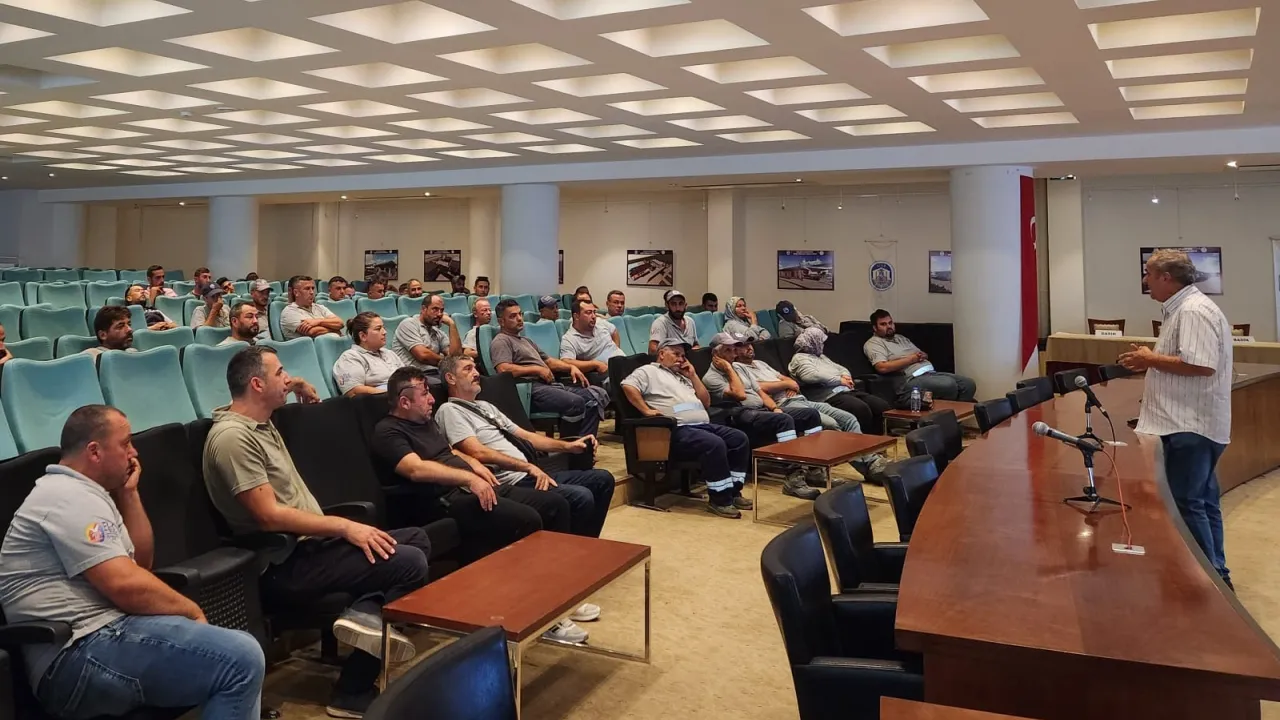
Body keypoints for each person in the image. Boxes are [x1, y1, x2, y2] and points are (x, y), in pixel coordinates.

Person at [204, 346, 432, 716]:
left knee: (418, 538)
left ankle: (365, 613)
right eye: (281, 373)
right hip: (282, 562)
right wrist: (345, 527)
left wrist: (297, 386)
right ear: (258, 384)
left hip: (310, 548)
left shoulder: (259, 422)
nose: (287, 377)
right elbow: (268, 517)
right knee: (408, 563)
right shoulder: (233, 438)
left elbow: (278, 387)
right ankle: (352, 691)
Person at [0, 406, 267, 720]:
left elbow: (139, 566)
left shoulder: (88, 494)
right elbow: (125, 585)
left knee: (239, 650)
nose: (134, 452)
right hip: (75, 655)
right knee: (240, 659)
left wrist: (129, 495)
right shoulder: (65, 497)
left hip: (101, 639)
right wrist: (190, 611)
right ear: (94, 451)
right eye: (125, 443)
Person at [370, 366, 570, 560]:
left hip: (473, 486)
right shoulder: (388, 432)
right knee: (527, 519)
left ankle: (561, 566)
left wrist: (474, 463)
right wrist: (469, 478)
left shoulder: (425, 421)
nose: (432, 399)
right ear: (404, 402)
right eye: (424, 394)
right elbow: (416, 469)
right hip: (444, 499)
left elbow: (449, 450)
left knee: (554, 504)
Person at [1121, 249, 1234, 589]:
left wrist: (1150, 359)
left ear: (1166, 278)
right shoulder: (1184, 308)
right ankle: (1217, 575)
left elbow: (1201, 365)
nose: (1145, 280)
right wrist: (1152, 360)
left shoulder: (1193, 311)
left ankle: (1203, 585)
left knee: (1188, 505)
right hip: (1189, 423)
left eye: (1148, 274)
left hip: (1190, 425)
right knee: (1202, 502)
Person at [436, 355, 614, 543]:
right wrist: (526, 467)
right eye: (467, 369)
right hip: (511, 480)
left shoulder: (485, 406)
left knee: (602, 480)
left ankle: (585, 546)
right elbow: (477, 452)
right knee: (581, 496)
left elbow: (526, 435)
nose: (476, 373)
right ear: (450, 378)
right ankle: (568, 552)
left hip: (530, 472)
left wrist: (568, 446)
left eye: (475, 367)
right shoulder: (450, 410)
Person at [622, 339, 752, 518]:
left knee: (739, 439)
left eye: (683, 356)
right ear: (661, 354)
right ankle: (720, 500)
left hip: (701, 426)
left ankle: (733, 492)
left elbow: (706, 402)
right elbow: (628, 386)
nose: (681, 359)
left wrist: (693, 376)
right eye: (676, 354)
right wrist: (645, 410)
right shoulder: (648, 371)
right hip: (674, 431)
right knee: (714, 444)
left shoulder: (683, 375)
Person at [702, 333, 821, 500]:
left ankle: (815, 470)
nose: (733, 355)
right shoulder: (711, 378)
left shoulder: (740, 367)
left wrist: (775, 408)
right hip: (741, 414)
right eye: (728, 351)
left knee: (810, 415)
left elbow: (760, 392)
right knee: (784, 420)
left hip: (762, 410)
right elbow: (740, 394)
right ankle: (794, 480)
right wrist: (729, 369)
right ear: (715, 355)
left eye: (734, 350)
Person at [490, 299, 604, 438]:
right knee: (575, 402)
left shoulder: (526, 341)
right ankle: (568, 447)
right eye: (513, 316)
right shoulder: (501, 340)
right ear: (501, 322)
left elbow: (549, 361)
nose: (519, 318)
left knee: (594, 397)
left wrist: (571, 367)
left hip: (547, 386)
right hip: (530, 389)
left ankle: (584, 446)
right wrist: (536, 369)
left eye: (520, 314)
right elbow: (503, 369)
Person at [864, 309, 977, 404]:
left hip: (930, 373)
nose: (889, 326)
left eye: (890, 323)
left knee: (968, 384)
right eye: (883, 324)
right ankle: (943, 419)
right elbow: (882, 367)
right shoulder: (874, 343)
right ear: (875, 328)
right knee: (948, 385)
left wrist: (922, 355)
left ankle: (954, 418)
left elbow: (921, 354)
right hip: (910, 379)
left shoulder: (900, 338)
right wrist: (911, 359)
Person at [790, 327, 890, 433]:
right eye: (821, 342)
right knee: (861, 409)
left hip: (846, 391)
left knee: (881, 406)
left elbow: (841, 368)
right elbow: (810, 376)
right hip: (828, 396)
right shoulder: (799, 358)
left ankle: (879, 439)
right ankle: (864, 441)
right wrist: (839, 380)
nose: (823, 345)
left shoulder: (821, 357)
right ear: (813, 342)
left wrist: (846, 377)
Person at [220, 302, 321, 403]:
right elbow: (245, 398)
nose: (255, 321)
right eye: (250, 317)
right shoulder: (221, 352)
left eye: (257, 317)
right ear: (235, 321)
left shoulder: (263, 345)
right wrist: (296, 383)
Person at [393, 294, 460, 383]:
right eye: (435, 309)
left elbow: (456, 356)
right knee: (454, 382)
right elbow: (423, 356)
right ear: (423, 309)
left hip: (436, 372)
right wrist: (448, 362)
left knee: (466, 379)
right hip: (413, 376)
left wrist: (452, 324)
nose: (439, 314)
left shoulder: (437, 331)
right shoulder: (408, 324)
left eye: (441, 310)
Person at [333, 312, 404, 396]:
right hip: (383, 400)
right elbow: (353, 391)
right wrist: (395, 395)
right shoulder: (350, 357)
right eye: (378, 329)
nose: (385, 332)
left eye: (383, 328)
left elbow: (408, 378)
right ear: (363, 336)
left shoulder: (389, 353)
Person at [559, 299, 622, 386]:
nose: (593, 316)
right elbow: (566, 361)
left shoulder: (600, 322)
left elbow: (614, 331)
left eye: (594, 312)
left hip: (623, 363)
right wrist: (594, 364)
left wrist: (616, 348)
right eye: (588, 313)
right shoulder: (569, 338)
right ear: (576, 316)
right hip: (608, 376)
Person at [648, 289, 699, 354]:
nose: (678, 308)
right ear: (667, 306)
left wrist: (693, 352)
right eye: (673, 304)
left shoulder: (690, 321)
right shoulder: (660, 323)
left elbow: (696, 344)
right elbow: (652, 350)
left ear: (685, 306)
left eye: (681, 304)